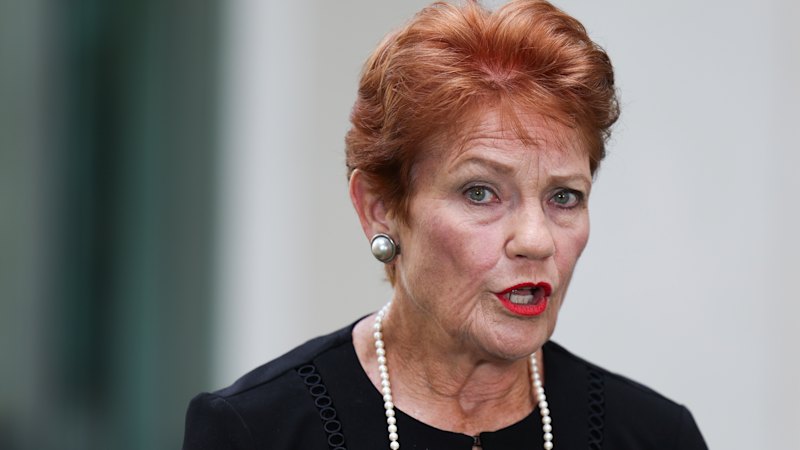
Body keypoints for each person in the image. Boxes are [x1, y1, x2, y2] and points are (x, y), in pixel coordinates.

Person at [182, 1, 708, 449]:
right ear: (380, 208)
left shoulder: (656, 435)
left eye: (564, 197)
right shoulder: (256, 430)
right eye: (480, 192)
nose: (536, 239)